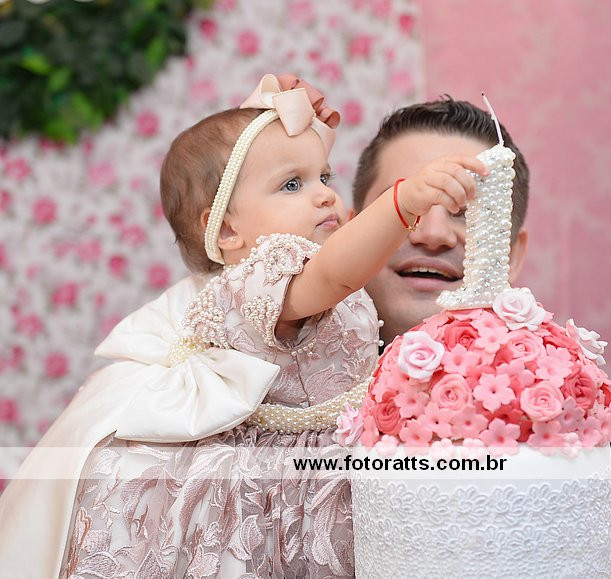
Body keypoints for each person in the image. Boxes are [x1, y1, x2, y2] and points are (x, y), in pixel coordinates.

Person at [0, 75, 486, 578]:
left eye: (324, 176)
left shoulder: (289, 270)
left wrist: (274, 144)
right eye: (292, 185)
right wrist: (403, 203)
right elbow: (335, 273)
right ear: (228, 230)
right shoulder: (262, 279)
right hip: (283, 489)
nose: (324, 196)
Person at [350, 96, 611, 578]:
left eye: (466, 211)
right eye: (408, 204)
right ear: (352, 232)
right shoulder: (281, 401)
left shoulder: (555, 420)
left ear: (513, 254)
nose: (434, 234)